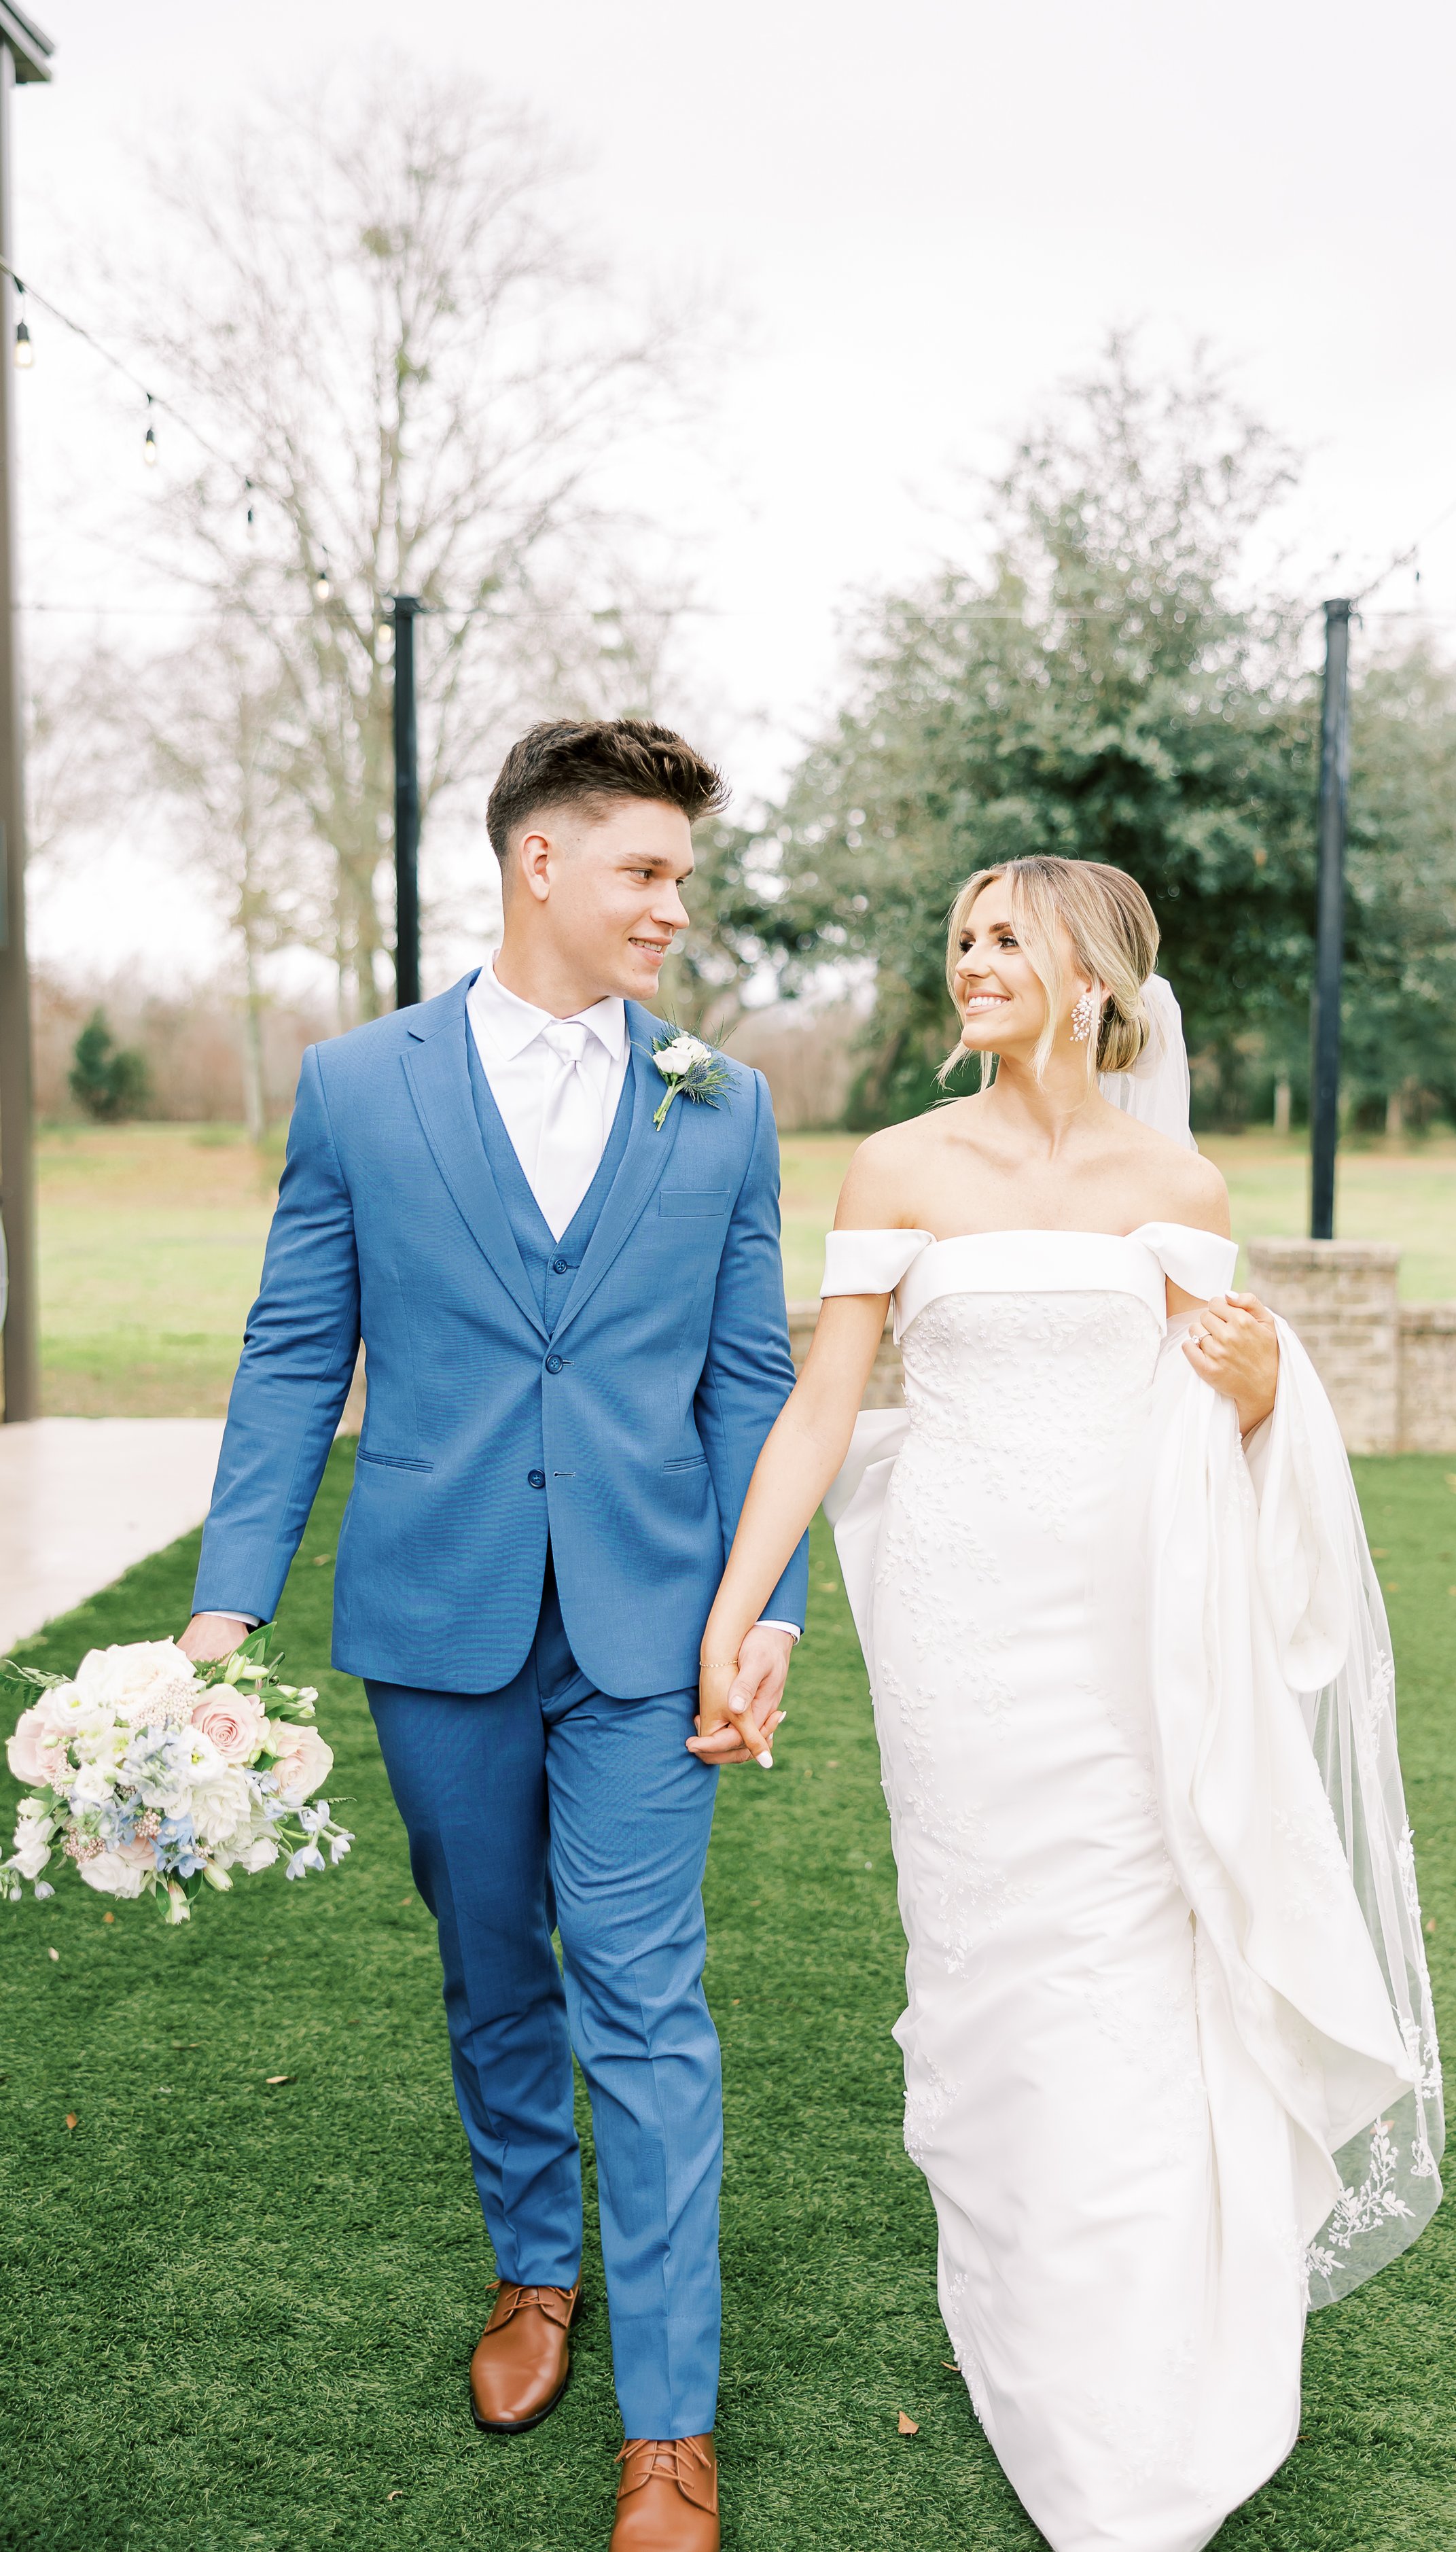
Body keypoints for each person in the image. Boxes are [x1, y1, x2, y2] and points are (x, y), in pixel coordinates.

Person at [700, 856, 1444, 2552]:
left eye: (1002, 939)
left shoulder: (1171, 1173)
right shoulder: (897, 1164)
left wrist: (1266, 1403)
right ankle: (1026, 2307)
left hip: (1131, 1632)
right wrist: (740, 1611)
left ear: (1095, 972)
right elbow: (824, 1408)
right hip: (960, 1627)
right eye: (957, 940)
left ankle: (1146, 2364)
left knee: (1129, 1956)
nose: (968, 963)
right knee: (993, 1966)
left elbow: (1219, 1402)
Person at [179, 718, 806, 2552]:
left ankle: (667, 2427)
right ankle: (539, 2266)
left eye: (682, 875)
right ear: (541, 862)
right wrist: (230, 1600)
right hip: (434, 1619)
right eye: (646, 870)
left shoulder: (723, 1100)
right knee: (489, 1966)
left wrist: (755, 1610)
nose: (673, 907)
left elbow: (753, 1376)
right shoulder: (359, 1086)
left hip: (648, 1629)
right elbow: (298, 1348)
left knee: (644, 1987)